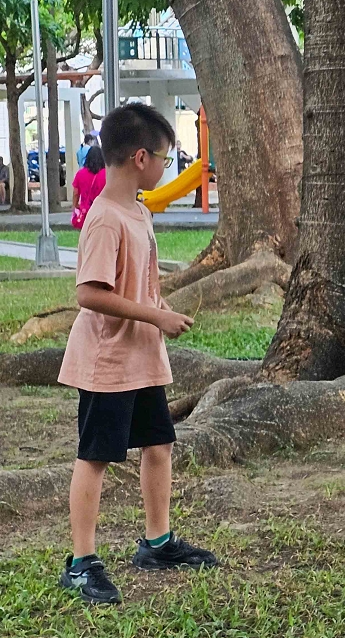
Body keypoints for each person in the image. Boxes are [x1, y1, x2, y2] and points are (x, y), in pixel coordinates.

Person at [56, 103, 216, 605]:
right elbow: (89, 294)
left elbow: (137, 281)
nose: (168, 167)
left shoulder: (139, 210)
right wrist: (156, 317)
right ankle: (81, 563)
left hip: (142, 359)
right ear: (141, 157)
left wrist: (158, 304)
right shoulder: (105, 218)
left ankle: (157, 541)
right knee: (97, 455)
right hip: (108, 361)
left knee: (158, 445)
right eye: (166, 158)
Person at [71, 147, 107, 229]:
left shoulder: (80, 174)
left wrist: (75, 205)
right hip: (102, 210)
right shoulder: (107, 174)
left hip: (86, 211)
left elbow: (76, 192)